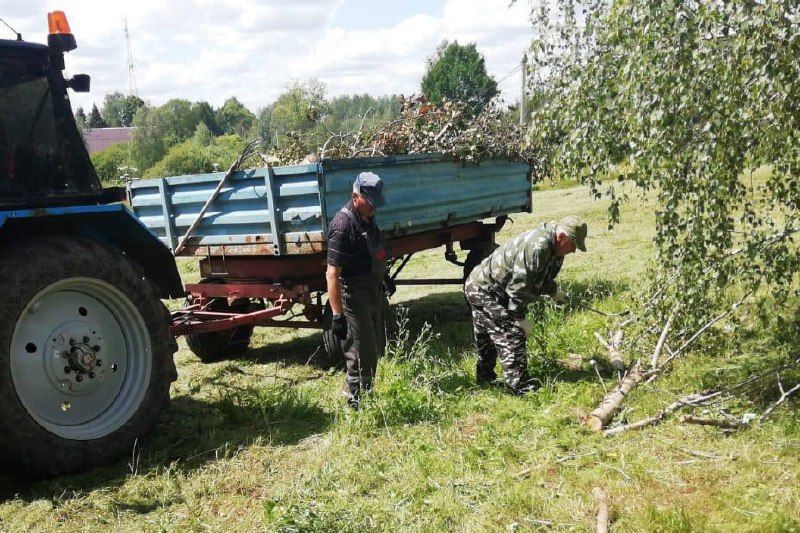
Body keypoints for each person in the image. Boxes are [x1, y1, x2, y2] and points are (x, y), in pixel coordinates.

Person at [464, 215, 588, 394]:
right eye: (573, 245)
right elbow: (520, 287)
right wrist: (519, 318)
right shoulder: (537, 247)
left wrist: (554, 292)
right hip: (483, 289)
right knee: (512, 333)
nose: (574, 250)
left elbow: (541, 275)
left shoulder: (554, 247)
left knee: (489, 334)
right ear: (561, 237)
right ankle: (520, 386)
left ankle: (485, 380)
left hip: (494, 289)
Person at [325, 171, 388, 408]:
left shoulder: (367, 217)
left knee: (373, 348)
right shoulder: (342, 226)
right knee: (359, 352)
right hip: (354, 296)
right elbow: (332, 274)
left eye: (376, 203)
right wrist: (337, 316)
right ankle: (355, 405)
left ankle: (367, 397)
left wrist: (383, 277)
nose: (374, 208)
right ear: (355, 197)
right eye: (370, 202)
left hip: (372, 290)